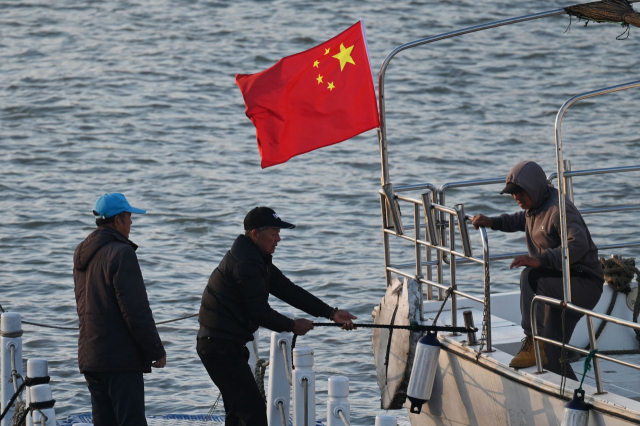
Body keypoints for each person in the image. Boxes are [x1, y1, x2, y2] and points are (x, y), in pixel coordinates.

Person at [197, 206, 357, 426]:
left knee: (239, 413)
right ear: (255, 234)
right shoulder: (246, 263)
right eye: (274, 233)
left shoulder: (256, 258)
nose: (278, 239)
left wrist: (331, 313)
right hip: (219, 346)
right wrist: (292, 326)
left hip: (223, 345)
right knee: (252, 414)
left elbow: (288, 290)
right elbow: (259, 312)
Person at [472, 161, 604, 380]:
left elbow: (577, 244)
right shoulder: (534, 208)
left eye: (520, 193)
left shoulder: (558, 209)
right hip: (561, 282)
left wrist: (541, 261)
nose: (517, 198)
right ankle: (572, 396)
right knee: (551, 350)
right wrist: (492, 222)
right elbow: (519, 220)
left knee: (530, 276)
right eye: (512, 195)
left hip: (584, 282)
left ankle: (531, 339)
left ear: (533, 188)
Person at [73, 193, 166, 426]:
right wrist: (155, 350)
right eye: (129, 217)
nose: (132, 223)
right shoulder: (122, 253)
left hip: (91, 356)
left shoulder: (82, 252)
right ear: (117, 221)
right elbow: (135, 310)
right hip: (120, 360)